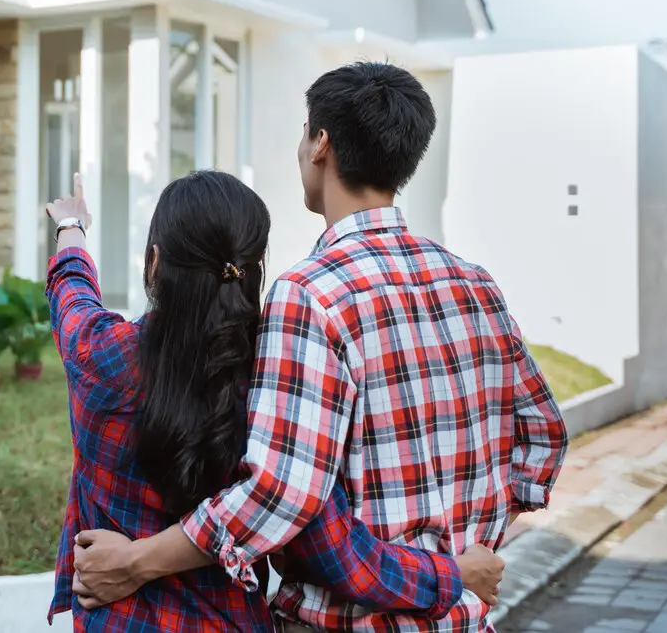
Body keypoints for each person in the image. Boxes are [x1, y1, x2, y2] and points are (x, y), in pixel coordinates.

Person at [70, 63, 569, 632]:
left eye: (304, 131)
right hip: (462, 617)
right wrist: (467, 543)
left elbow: (278, 494)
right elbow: (544, 437)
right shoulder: (474, 283)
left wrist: (136, 561)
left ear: (321, 144)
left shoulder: (311, 294)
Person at [44, 169, 506, 631]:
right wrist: (452, 574)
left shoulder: (98, 354)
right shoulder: (275, 389)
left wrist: (71, 227)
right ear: (250, 273)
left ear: (154, 262)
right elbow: (338, 555)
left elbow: (72, 293)